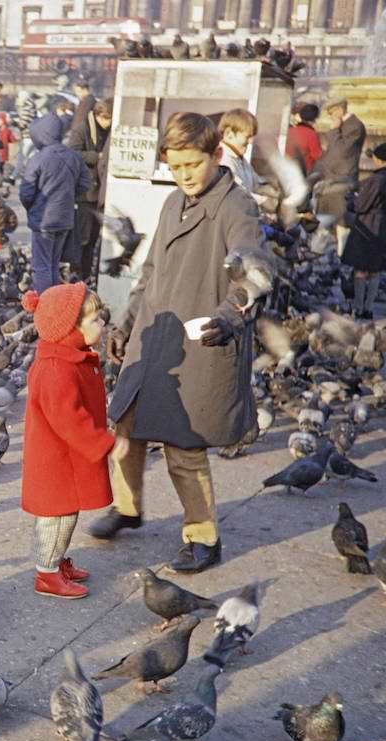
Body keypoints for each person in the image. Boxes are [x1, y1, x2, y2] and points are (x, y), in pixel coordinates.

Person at [98, 112, 270, 574]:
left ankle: (203, 536)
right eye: (175, 167)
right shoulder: (173, 201)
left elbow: (254, 273)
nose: (184, 175)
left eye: (192, 164)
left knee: (183, 445)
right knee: (125, 425)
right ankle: (128, 507)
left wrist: (229, 316)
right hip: (155, 336)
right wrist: (124, 324)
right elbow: (150, 272)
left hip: (201, 340)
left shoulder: (237, 207)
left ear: (217, 155)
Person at [21, 282, 124, 599]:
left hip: (63, 457)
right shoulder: (56, 369)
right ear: (70, 329)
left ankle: (56, 561)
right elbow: (70, 419)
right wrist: (104, 442)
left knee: (66, 513)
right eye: (95, 320)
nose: (103, 324)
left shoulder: (69, 358)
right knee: (57, 517)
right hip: (56, 461)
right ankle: (47, 574)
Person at [20, 99, 92, 293]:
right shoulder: (73, 156)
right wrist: (69, 197)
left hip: (44, 220)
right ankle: (55, 301)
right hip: (65, 219)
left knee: (42, 266)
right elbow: (86, 183)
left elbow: (26, 192)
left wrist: (33, 207)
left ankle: (45, 306)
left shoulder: (39, 158)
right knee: (53, 264)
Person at [343, 137, 386, 319]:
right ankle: (369, 308)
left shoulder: (375, 180)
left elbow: (361, 206)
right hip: (385, 224)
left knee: (361, 269)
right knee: (375, 270)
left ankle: (358, 307)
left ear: (378, 159)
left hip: (367, 225)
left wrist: (350, 200)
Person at [65, 98, 111, 283]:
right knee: (82, 238)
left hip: (97, 192)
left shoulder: (106, 131)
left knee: (92, 238)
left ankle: (85, 274)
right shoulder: (82, 129)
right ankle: (78, 274)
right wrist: (97, 156)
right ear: (99, 115)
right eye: (107, 119)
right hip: (84, 193)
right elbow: (71, 152)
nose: (108, 123)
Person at [315, 97, 367, 254]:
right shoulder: (346, 125)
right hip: (331, 181)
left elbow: (341, 152)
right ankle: (319, 251)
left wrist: (334, 130)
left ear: (339, 109)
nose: (330, 117)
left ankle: (341, 255)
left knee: (341, 223)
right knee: (326, 220)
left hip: (342, 181)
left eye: (331, 113)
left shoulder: (355, 126)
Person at [218, 108, 268, 208]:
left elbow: (256, 183)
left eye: (253, 136)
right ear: (229, 134)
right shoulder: (223, 161)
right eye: (248, 136)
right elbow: (238, 193)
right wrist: (267, 202)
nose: (251, 142)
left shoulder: (240, 159)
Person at [285, 103, 322, 175]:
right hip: (304, 172)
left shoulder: (290, 130)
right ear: (314, 119)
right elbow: (317, 155)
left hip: (288, 169)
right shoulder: (311, 134)